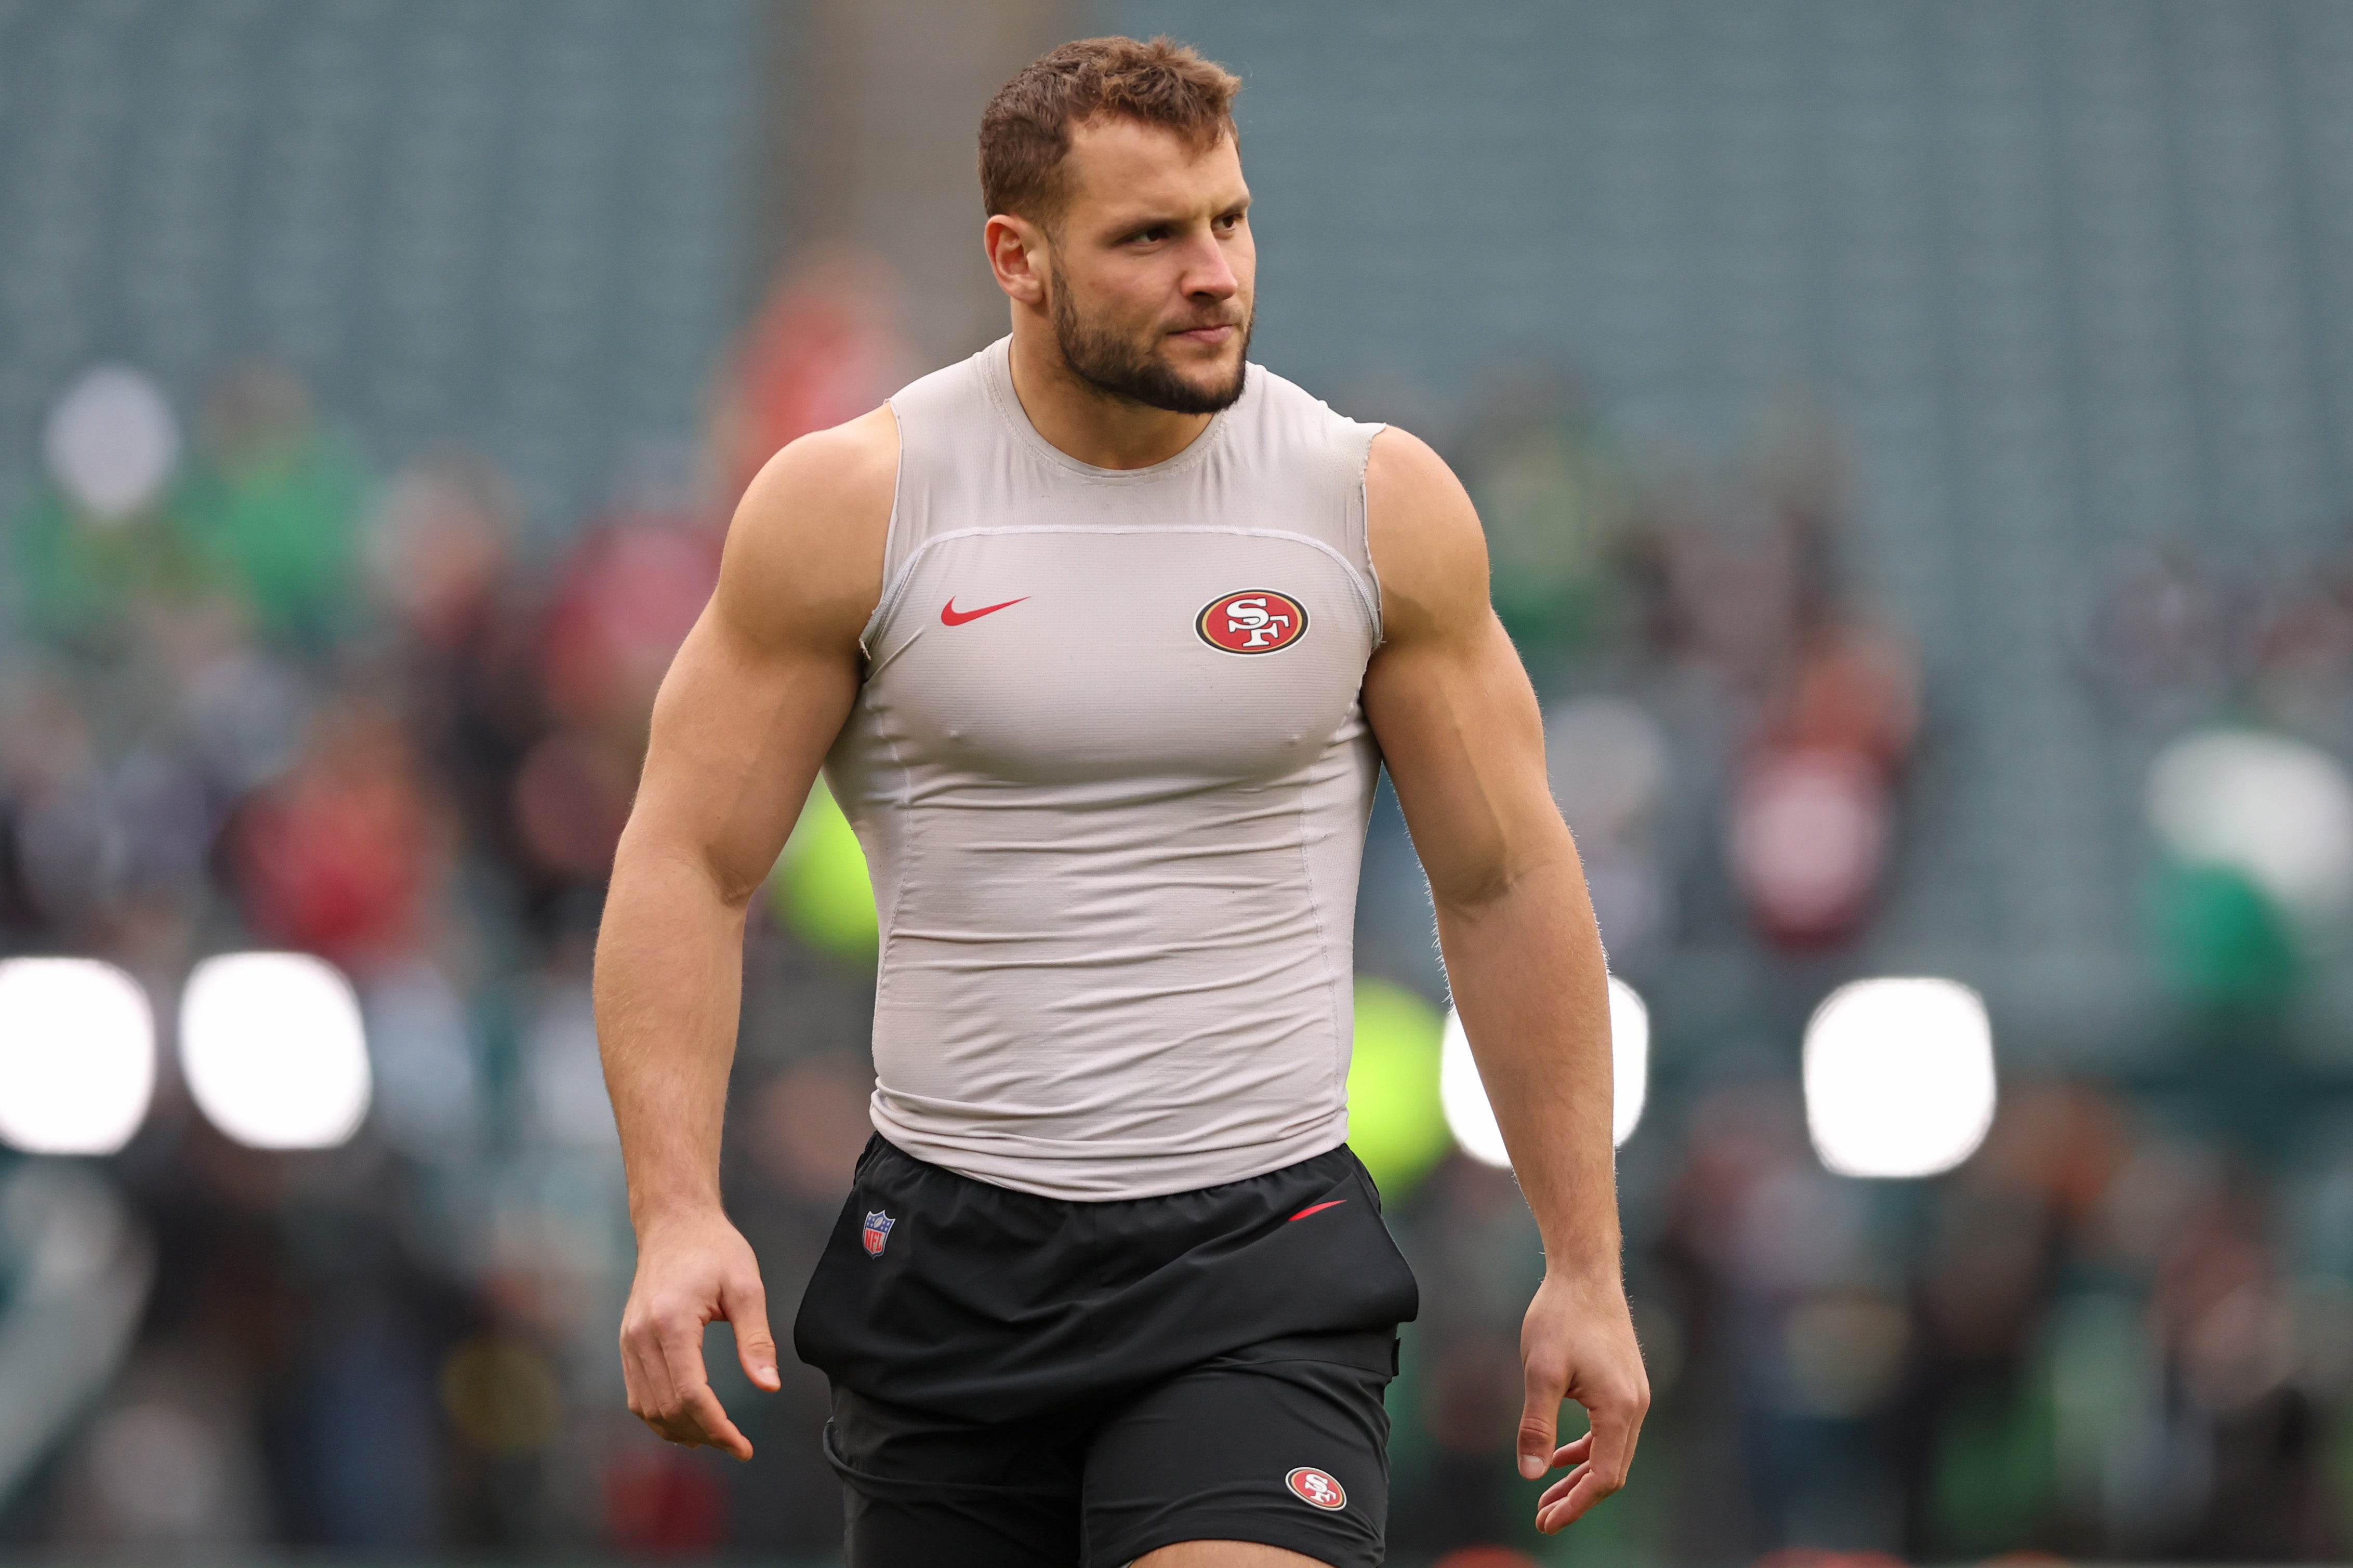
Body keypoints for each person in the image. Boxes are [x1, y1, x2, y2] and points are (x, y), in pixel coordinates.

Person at [594, 35, 1647, 1568]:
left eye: (1230, 220)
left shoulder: (1368, 504)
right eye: (1150, 237)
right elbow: (688, 860)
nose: (1214, 273)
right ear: (1017, 260)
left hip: (1259, 1256)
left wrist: (1586, 1262)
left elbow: (1505, 879)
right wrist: (676, 1209)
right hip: (951, 1252)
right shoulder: (858, 506)